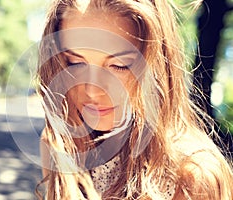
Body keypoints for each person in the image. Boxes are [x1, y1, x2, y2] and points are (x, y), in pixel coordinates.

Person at [35, 0, 233, 199]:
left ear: (156, 66)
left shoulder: (192, 175)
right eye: (76, 63)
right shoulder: (58, 144)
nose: (92, 91)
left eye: (119, 65)